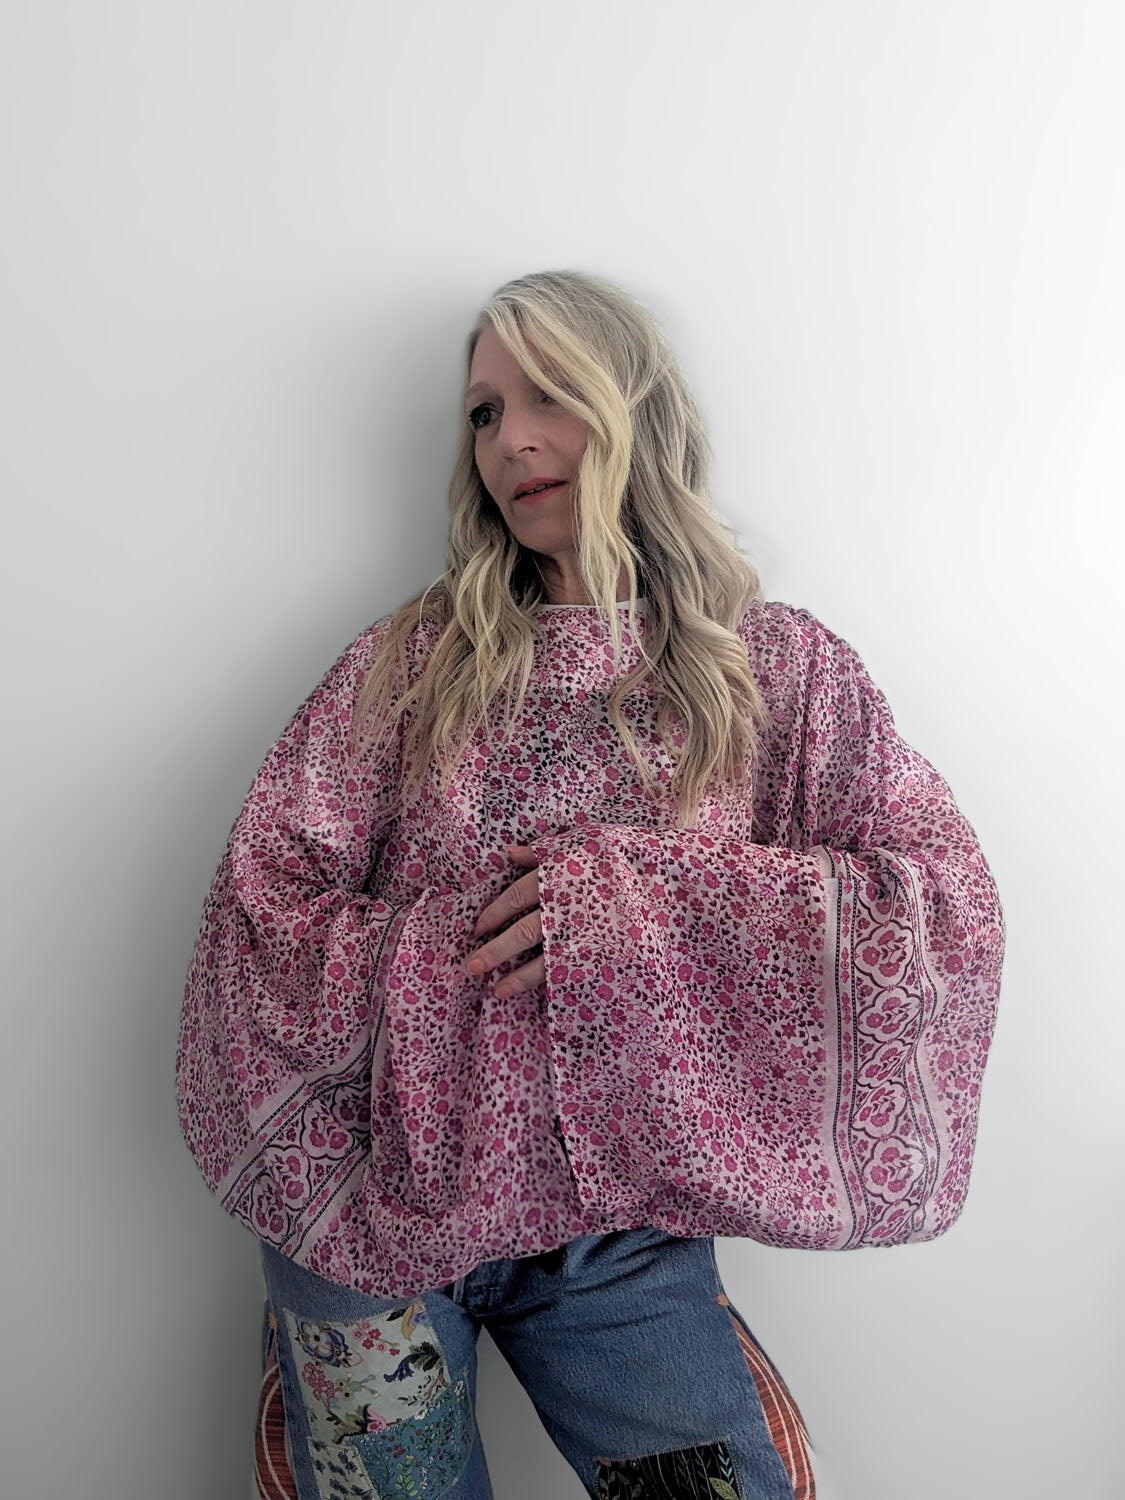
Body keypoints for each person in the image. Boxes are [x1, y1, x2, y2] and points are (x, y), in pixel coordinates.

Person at [177, 269, 1005, 1500]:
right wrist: (451, 956)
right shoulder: (409, 668)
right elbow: (258, 919)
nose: (511, 439)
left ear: (633, 408)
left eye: (549, 394)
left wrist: (644, 912)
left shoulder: (775, 676)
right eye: (481, 412)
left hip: (620, 1243)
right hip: (372, 1220)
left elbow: (939, 911)